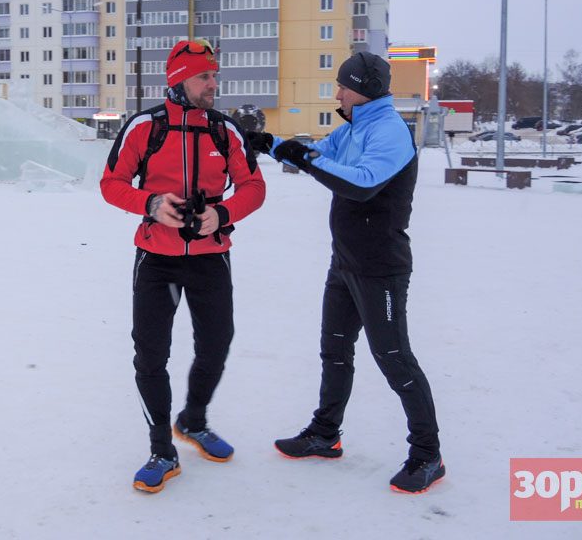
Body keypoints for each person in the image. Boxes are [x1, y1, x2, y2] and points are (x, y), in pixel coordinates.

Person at [248, 51, 444, 494]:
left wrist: (306, 159)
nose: (338, 93)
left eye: (343, 86)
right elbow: (316, 153)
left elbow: (360, 183)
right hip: (345, 263)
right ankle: (324, 434)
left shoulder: (390, 131)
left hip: (381, 269)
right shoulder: (354, 126)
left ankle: (428, 455)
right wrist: (267, 142)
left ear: (364, 89)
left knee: (394, 359)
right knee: (334, 351)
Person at [101, 40, 266, 493]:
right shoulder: (144, 127)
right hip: (157, 258)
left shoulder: (224, 130)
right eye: (204, 77)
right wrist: (150, 202)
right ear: (179, 81)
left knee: (217, 345)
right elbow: (111, 184)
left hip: (211, 256)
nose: (213, 84)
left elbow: (254, 186)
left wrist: (223, 213)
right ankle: (161, 449)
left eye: (214, 75)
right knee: (151, 355)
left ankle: (193, 420)